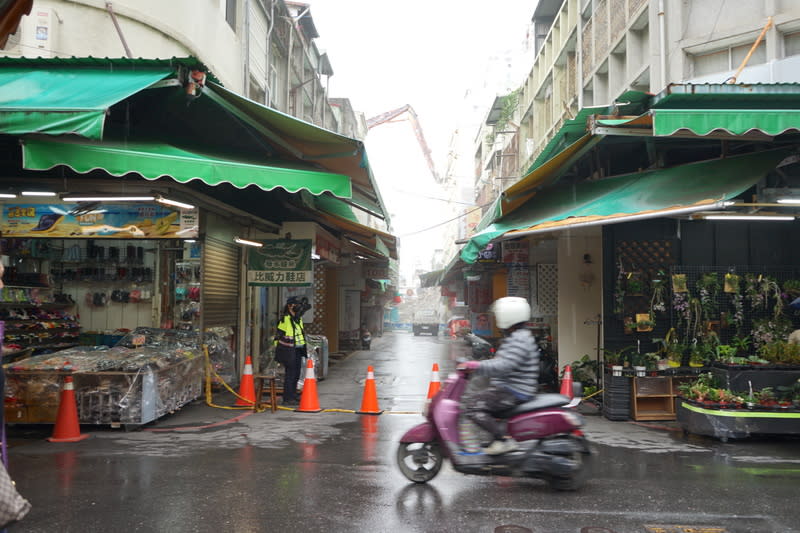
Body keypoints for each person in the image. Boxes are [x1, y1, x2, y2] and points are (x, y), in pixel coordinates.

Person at [458, 296, 540, 455]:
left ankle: (503, 440)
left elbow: (503, 366)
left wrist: (476, 366)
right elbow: (503, 362)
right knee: (481, 399)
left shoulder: (519, 339)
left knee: (473, 405)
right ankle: (496, 439)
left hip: (514, 391)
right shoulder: (518, 337)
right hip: (511, 388)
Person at [274, 296, 307, 406]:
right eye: (295, 304)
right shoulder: (285, 319)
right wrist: (279, 352)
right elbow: (278, 337)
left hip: (298, 349)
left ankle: (293, 395)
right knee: (290, 374)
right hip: (288, 350)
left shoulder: (298, 319)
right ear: (289, 306)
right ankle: (287, 398)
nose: (298, 306)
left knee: (296, 373)